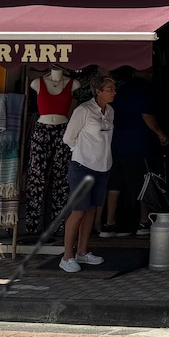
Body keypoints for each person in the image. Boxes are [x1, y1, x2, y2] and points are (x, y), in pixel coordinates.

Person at [99, 67, 168, 237]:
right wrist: (160, 134)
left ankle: (109, 224)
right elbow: (147, 116)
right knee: (145, 182)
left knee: (116, 183)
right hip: (139, 143)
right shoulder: (146, 89)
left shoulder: (122, 88)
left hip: (118, 142)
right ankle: (144, 223)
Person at [59, 75, 115, 273]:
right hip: (83, 165)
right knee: (79, 210)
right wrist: (83, 152)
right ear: (98, 91)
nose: (113, 92)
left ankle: (82, 252)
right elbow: (68, 138)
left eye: (113, 89)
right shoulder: (83, 110)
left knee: (92, 209)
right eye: (109, 89)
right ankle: (67, 256)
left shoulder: (110, 111)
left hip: (103, 166)